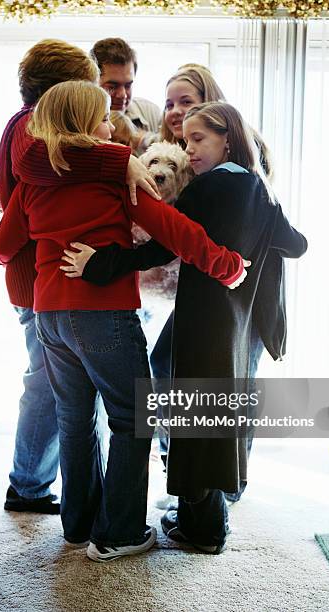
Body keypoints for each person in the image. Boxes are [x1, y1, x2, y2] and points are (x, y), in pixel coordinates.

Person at [0, 81, 249, 561]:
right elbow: (175, 230)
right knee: (132, 419)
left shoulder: (34, 182)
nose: (112, 126)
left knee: (75, 418)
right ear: (88, 127)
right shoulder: (112, 176)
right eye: (104, 118)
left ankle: (79, 525)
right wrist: (227, 265)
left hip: (50, 316)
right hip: (101, 315)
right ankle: (121, 532)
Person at [61, 101, 307, 553]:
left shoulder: (203, 189)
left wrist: (101, 263)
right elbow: (296, 244)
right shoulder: (259, 189)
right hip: (239, 324)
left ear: (227, 139)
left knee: (192, 418)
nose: (188, 149)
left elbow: (160, 249)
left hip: (201, 319)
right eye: (185, 140)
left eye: (199, 139)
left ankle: (207, 529)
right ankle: (201, 517)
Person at [0, 39, 161, 515]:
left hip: (50, 280)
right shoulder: (29, 125)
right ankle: (28, 487)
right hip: (47, 282)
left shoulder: (29, 125)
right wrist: (118, 158)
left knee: (71, 402)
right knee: (52, 390)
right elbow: (33, 164)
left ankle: (78, 506)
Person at [90, 38, 162, 154]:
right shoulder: (80, 122)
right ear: (93, 82)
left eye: (128, 85)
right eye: (112, 86)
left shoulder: (151, 113)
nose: (122, 94)